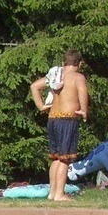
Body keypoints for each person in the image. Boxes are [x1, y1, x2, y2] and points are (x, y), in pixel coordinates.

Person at [30, 49, 88, 202]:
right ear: (80, 64)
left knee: (56, 158)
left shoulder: (56, 75)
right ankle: (60, 194)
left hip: (53, 118)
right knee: (64, 158)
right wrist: (83, 110)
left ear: (64, 63)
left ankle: (52, 193)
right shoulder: (78, 77)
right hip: (67, 119)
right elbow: (82, 92)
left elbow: (34, 86)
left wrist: (41, 106)